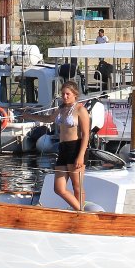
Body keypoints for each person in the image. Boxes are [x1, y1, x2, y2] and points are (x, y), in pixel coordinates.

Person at [51, 80, 90, 210]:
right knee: (59, 188)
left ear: (74, 94)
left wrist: (81, 156)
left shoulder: (80, 109)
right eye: (63, 94)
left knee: (77, 186)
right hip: (63, 149)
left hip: (76, 148)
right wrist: (27, 116)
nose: (65, 97)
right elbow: (49, 119)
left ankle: (80, 212)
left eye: (67, 94)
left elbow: (85, 135)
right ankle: (79, 210)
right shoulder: (61, 109)